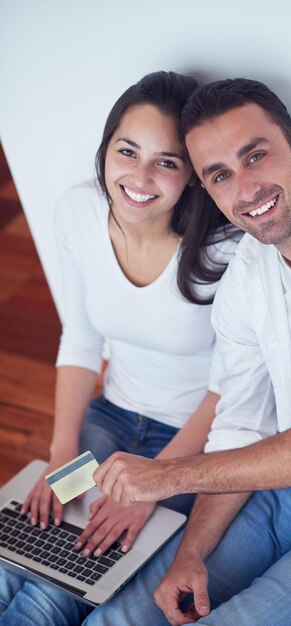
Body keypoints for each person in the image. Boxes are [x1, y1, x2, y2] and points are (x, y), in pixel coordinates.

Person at [84, 77, 291, 626]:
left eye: (255, 156)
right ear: (209, 191)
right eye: (220, 175)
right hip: (273, 492)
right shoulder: (246, 273)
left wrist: (167, 478)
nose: (246, 189)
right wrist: (190, 554)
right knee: (122, 616)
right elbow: (238, 424)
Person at [0, 71, 238, 625]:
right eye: (127, 151)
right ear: (105, 149)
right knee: (19, 554)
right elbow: (81, 340)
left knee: (57, 591)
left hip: (188, 446)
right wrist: (62, 453)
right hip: (111, 417)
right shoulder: (77, 212)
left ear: (194, 177)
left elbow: (229, 391)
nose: (139, 175)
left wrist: (156, 482)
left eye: (167, 161)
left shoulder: (227, 249)